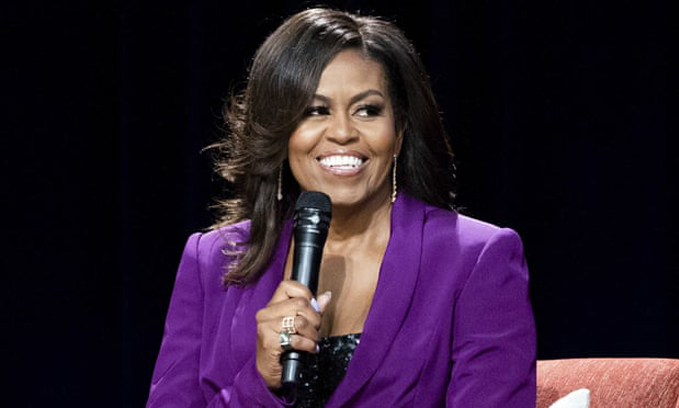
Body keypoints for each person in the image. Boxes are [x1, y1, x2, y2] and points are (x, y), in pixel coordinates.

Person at [146, 8, 536, 407]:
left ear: (400, 131)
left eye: (367, 110)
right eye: (315, 111)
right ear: (279, 131)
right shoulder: (212, 261)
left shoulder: (473, 260)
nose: (343, 132)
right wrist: (260, 382)